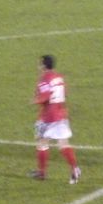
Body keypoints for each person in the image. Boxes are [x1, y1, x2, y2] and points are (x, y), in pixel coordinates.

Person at [30, 54, 81, 184]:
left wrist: (35, 100)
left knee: (42, 143)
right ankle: (75, 168)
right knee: (63, 143)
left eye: (39, 63)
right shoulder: (59, 77)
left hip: (48, 117)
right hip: (61, 113)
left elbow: (45, 97)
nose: (38, 65)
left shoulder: (44, 79)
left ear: (43, 65)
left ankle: (41, 172)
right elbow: (64, 93)